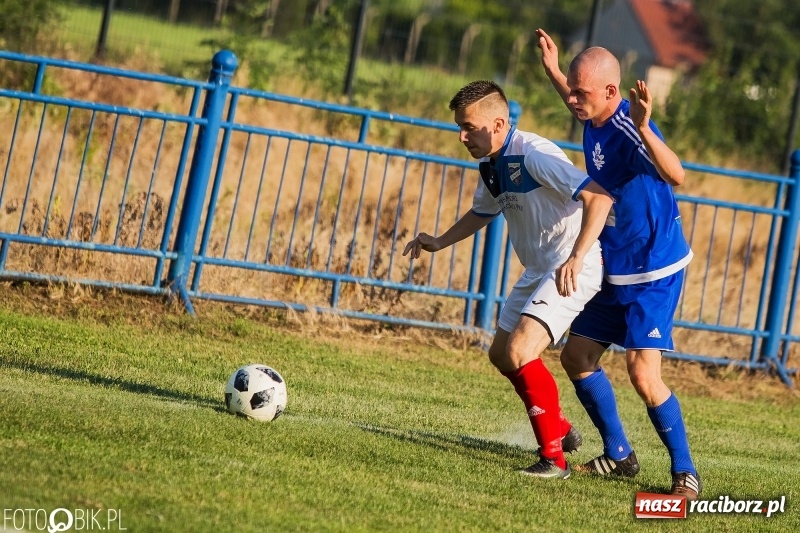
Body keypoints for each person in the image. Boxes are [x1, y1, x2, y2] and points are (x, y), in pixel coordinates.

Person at [403, 80, 614, 479]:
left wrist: (577, 256)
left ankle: (554, 459)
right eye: (459, 128)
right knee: (501, 354)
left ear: (498, 124)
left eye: (469, 127)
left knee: (520, 351)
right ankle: (561, 430)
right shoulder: (491, 164)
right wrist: (440, 241)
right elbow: (483, 212)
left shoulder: (534, 154)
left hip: (571, 266)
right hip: (539, 269)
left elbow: (599, 197)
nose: (462, 136)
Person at [536, 29, 702, 498]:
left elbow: (678, 175)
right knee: (576, 356)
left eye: (580, 92)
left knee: (644, 375)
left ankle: (686, 473)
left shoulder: (629, 125)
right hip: (616, 264)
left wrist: (648, 127)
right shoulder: (592, 113)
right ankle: (620, 454)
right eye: (570, 88)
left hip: (653, 269)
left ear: (612, 92)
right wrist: (553, 68)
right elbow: (575, 93)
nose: (572, 99)